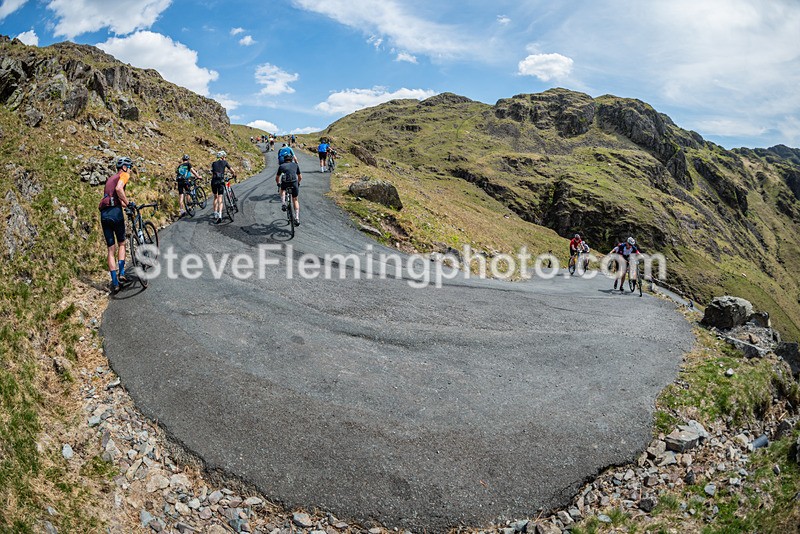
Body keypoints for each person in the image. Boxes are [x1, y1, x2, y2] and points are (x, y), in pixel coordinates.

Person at [99, 156, 133, 293]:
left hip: (104, 214)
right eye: (129, 167)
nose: (130, 170)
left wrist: (125, 204)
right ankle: (122, 273)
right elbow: (119, 190)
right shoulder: (123, 175)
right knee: (122, 244)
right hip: (115, 213)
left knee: (110, 250)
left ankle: (115, 283)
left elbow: (113, 196)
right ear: (124, 167)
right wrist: (129, 204)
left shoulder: (110, 179)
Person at [276, 153, 302, 226]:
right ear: (291, 159)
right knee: (295, 199)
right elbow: (300, 177)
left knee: (282, 190)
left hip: (285, 182)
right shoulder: (295, 165)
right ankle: (297, 218)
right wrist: (298, 184)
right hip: (294, 183)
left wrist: (278, 183)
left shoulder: (281, 166)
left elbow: (277, 178)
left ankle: (283, 203)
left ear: (284, 160)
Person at [210, 150, 236, 224]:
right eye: (224, 157)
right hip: (220, 181)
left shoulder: (213, 163)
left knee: (215, 197)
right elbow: (232, 170)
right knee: (220, 197)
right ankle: (220, 214)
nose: (225, 158)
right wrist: (234, 174)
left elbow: (213, 172)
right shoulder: (224, 162)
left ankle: (215, 213)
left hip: (213, 181)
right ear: (222, 157)